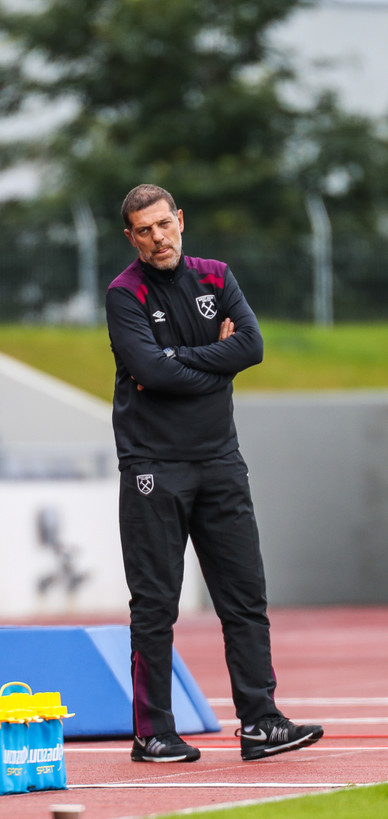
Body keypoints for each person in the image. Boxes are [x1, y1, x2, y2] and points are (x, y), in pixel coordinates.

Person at [105, 184, 323, 763]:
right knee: (156, 604)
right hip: (153, 465)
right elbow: (149, 370)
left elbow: (250, 347)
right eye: (144, 230)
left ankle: (261, 722)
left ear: (180, 220)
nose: (157, 238)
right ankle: (152, 733)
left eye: (164, 224)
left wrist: (178, 360)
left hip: (220, 460)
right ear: (131, 237)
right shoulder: (124, 293)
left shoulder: (216, 276)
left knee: (245, 596)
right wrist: (213, 364)